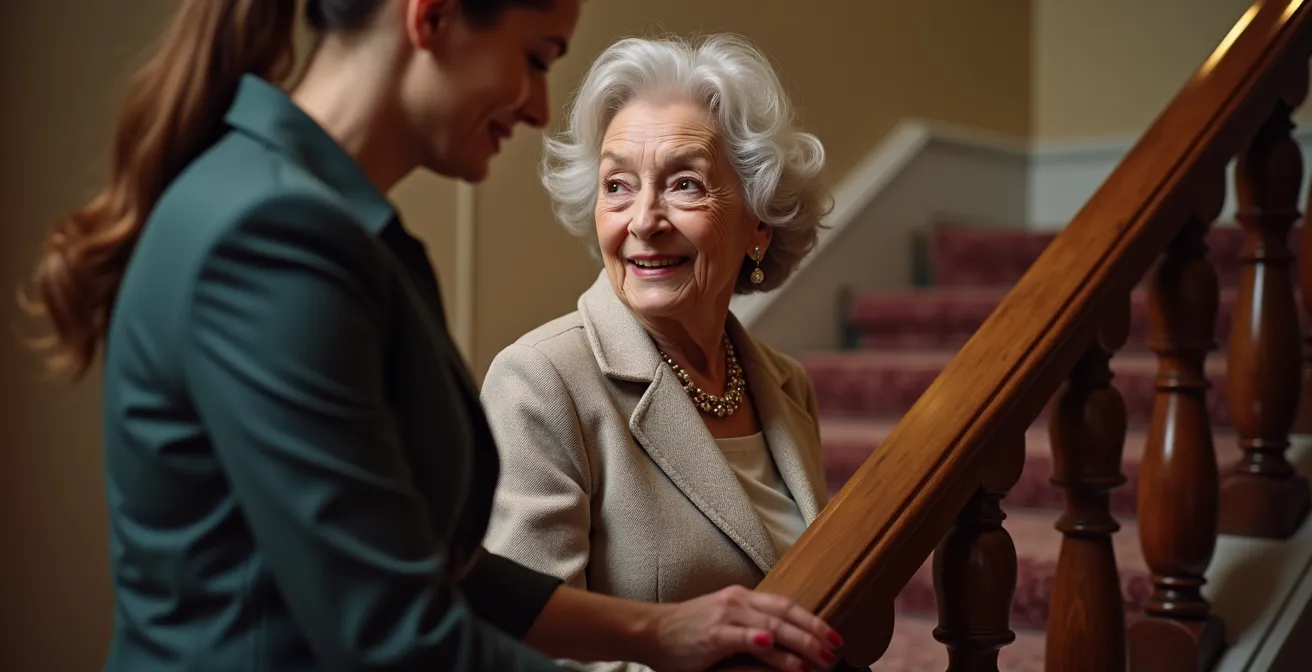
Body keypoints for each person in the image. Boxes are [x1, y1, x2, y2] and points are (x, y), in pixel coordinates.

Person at [20, 2, 843, 671]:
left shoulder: (316, 223)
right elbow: (392, 634)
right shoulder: (274, 237)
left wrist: (653, 632)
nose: (535, 106)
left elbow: (417, 559)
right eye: (537, 55)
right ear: (433, 17)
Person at [481, 34, 841, 672]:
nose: (644, 219)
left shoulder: (786, 385)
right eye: (617, 185)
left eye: (683, 184)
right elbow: (528, 651)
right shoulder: (539, 382)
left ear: (759, 221)